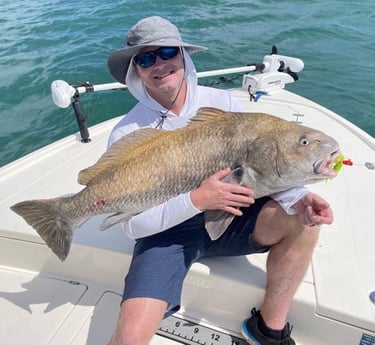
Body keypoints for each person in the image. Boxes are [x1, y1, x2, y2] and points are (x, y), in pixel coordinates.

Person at [106, 16, 333, 345]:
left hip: (233, 219)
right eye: (145, 58)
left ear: (183, 56)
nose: (159, 64)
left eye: (168, 51)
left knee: (303, 221)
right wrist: (197, 200)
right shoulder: (128, 132)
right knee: (127, 339)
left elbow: (258, 164)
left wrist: (297, 197)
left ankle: (268, 330)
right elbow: (131, 226)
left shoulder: (223, 104)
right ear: (136, 70)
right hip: (165, 234)